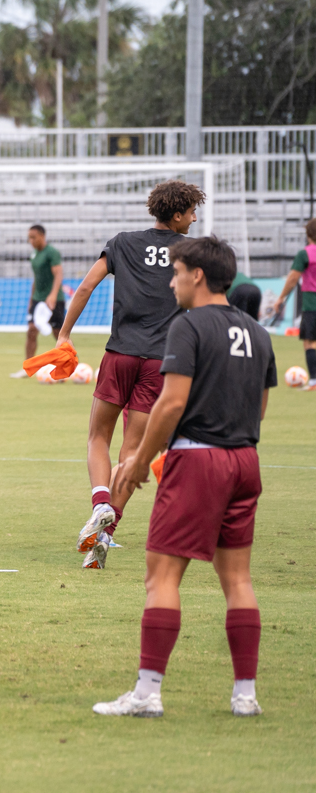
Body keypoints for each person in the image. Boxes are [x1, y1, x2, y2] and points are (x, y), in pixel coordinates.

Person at [96, 236, 274, 719]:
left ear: (197, 275)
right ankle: (245, 696)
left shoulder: (188, 326)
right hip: (245, 460)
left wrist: (136, 462)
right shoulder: (257, 333)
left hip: (198, 462)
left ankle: (147, 694)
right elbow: (259, 405)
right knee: (237, 579)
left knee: (162, 577)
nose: (171, 281)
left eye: (176, 273)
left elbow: (171, 403)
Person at [57, 180, 204, 568]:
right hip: (160, 362)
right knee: (134, 448)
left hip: (120, 354)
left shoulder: (122, 242)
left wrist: (64, 333)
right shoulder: (189, 252)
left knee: (97, 435)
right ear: (176, 214)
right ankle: (106, 532)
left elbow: (87, 286)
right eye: (191, 212)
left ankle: (100, 504)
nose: (194, 218)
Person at [12, 224, 64, 377]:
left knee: (59, 333)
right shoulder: (34, 255)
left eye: (33, 237)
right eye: (29, 237)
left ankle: (69, 365)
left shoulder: (52, 252)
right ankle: (28, 367)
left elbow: (58, 274)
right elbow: (37, 278)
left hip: (54, 299)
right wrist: (31, 298)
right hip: (37, 298)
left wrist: (53, 294)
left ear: (42, 236)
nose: (31, 240)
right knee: (31, 330)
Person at [271, 218, 316, 389]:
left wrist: (281, 298)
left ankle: (314, 381)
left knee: (310, 342)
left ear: (308, 234)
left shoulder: (305, 254)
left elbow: (293, 278)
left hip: (312, 302)